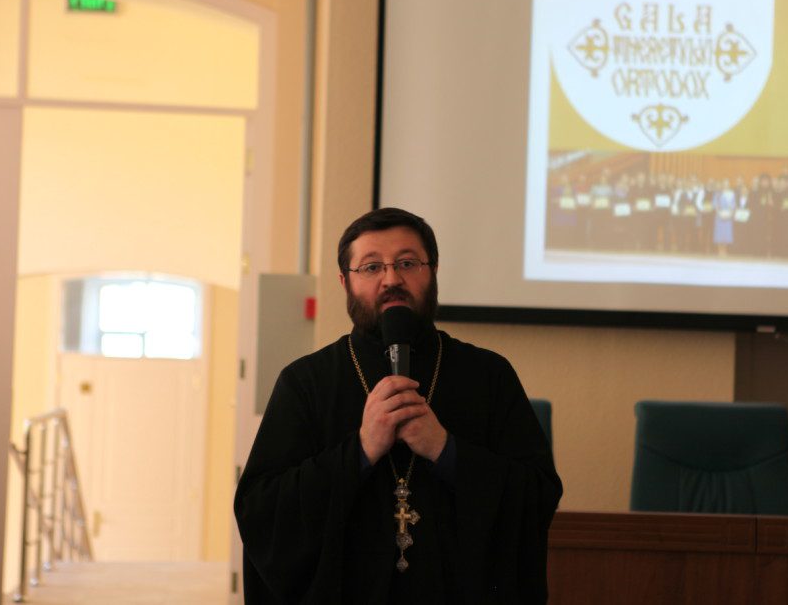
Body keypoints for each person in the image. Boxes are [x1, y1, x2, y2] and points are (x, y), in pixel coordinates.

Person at [234, 207, 563, 604]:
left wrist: (446, 450)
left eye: (407, 263)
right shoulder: (305, 382)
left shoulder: (488, 374)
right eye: (371, 267)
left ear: (433, 271)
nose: (391, 279)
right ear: (344, 282)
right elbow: (262, 510)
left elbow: (537, 496)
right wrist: (360, 450)